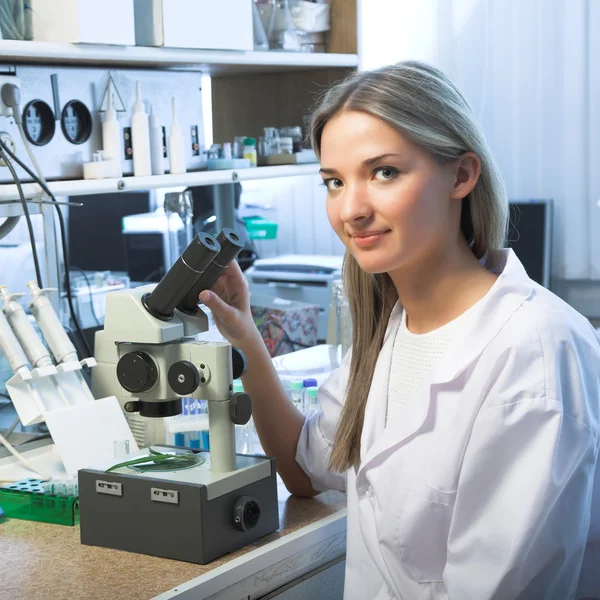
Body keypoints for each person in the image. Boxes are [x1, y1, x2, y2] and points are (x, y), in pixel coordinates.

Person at [199, 62, 600, 600]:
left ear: (461, 176)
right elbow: (305, 464)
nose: (351, 209)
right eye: (334, 182)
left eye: (384, 172)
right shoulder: (393, 329)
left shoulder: (534, 352)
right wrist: (245, 337)